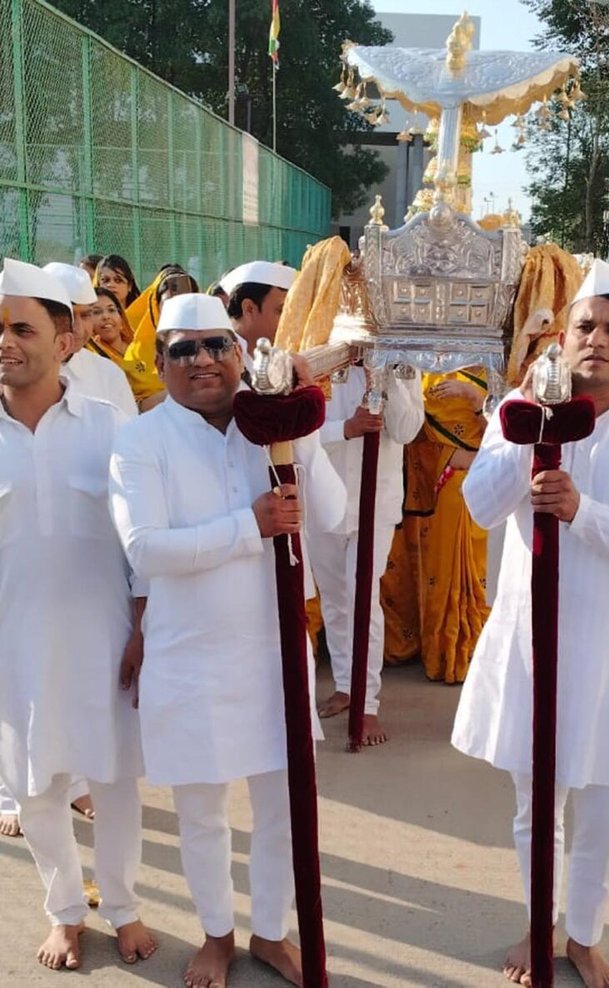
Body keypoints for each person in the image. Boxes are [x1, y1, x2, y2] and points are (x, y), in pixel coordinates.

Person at [452, 260, 609, 988]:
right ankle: (539, 924)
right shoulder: (518, 413)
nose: (598, 339)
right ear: (563, 335)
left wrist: (580, 511)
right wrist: (531, 430)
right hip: (533, 644)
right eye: (585, 325)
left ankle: (583, 936)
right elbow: (478, 507)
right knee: (537, 806)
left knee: (605, 812)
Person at [109, 293, 343, 988]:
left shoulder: (267, 423)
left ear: (242, 352)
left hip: (272, 651)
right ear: (161, 363)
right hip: (188, 655)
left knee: (281, 807)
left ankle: (270, 933)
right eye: (184, 349)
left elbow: (329, 517)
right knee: (203, 811)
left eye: (218, 345)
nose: (204, 360)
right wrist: (253, 525)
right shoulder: (140, 440)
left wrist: (299, 424)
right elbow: (147, 550)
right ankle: (217, 933)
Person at [0, 259, 156, 972]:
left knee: (117, 780)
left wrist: (144, 624)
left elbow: (141, 537)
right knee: (35, 787)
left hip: (106, 639)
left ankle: (121, 906)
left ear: (64, 342)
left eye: (20, 328)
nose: (5, 341)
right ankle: (66, 910)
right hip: (13, 646)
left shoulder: (111, 426)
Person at [307, 352, 424, 745]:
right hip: (323, 498)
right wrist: (345, 428)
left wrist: (386, 378)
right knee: (336, 600)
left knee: (363, 598)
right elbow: (296, 429)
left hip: (376, 503)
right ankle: (345, 685)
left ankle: (366, 703)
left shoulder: (402, 363)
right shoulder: (316, 357)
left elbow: (407, 431)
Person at [379, 369, 492, 684]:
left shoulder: (494, 363)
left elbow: (507, 431)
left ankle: (468, 651)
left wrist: (475, 399)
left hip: (483, 487)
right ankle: (441, 650)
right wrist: (453, 457)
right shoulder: (420, 369)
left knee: (475, 575)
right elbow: (412, 435)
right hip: (434, 485)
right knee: (432, 574)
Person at [41, 261, 139, 419]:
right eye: (70, 316)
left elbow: (129, 437)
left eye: (86, 315)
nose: (78, 328)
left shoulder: (108, 375)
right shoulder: (16, 372)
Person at [220, 261, 297, 352]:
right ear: (249, 309)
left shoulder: (278, 354)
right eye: (281, 311)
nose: (288, 321)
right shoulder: (218, 356)